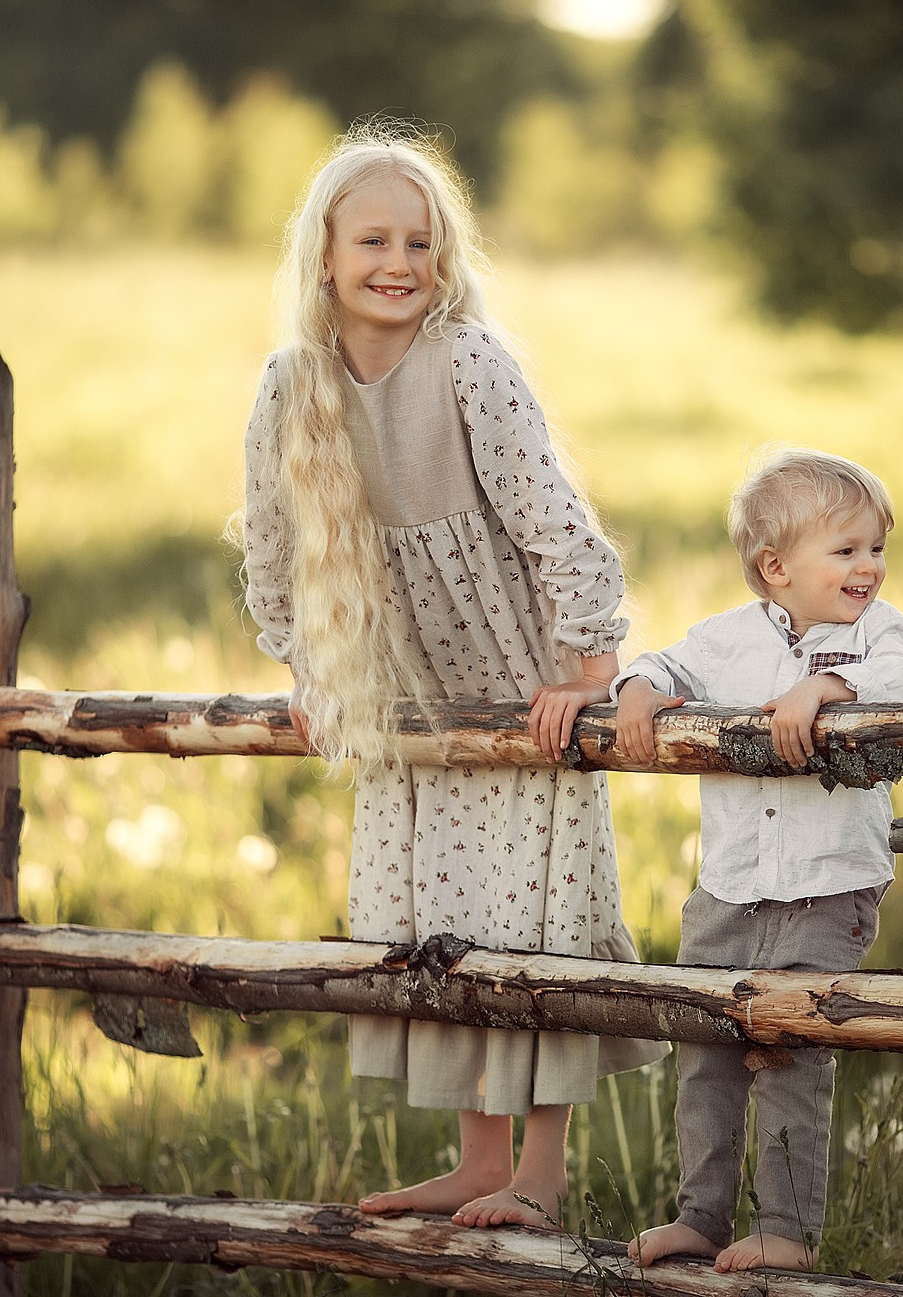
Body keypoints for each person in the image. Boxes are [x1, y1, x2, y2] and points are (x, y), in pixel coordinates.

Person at [238, 127, 665, 1231]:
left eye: (418, 240)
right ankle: (476, 1162)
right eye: (372, 238)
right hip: (410, 701)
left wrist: (585, 667)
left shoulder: (468, 361)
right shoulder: (294, 385)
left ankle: (539, 1172)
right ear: (324, 255)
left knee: (537, 915)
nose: (398, 260)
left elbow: (555, 524)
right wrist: (308, 667)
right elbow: (274, 551)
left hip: (523, 687)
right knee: (448, 918)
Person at [613, 447, 903, 1273]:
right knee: (707, 1046)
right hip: (728, 885)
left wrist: (827, 690)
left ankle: (786, 1226)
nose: (870, 567)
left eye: (876, 548)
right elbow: (660, 661)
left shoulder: (873, 635)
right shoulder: (727, 639)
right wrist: (637, 692)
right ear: (776, 566)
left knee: (789, 1048)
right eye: (848, 549)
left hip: (827, 885)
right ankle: (700, 1216)